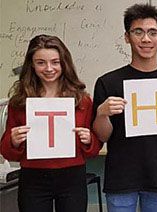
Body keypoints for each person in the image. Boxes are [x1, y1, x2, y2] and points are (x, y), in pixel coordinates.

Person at [91, 4, 157, 212]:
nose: (146, 39)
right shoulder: (107, 83)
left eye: (153, 32)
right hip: (121, 178)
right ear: (127, 37)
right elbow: (103, 136)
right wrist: (102, 114)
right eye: (138, 32)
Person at [1, 34, 101, 212]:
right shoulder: (20, 102)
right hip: (33, 178)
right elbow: (8, 152)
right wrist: (13, 140)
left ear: (64, 63)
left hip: (72, 177)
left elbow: (93, 150)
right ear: (31, 64)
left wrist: (88, 140)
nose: (49, 68)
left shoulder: (82, 101)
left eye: (55, 62)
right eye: (41, 62)